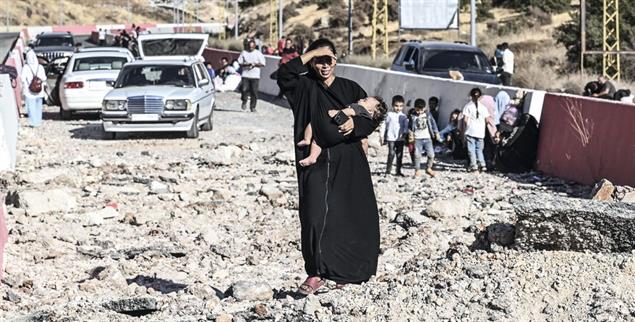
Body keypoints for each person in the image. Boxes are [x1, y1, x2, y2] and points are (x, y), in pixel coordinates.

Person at [277, 38, 380, 294]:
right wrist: (311, 51)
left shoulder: (350, 88)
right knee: (314, 215)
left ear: (336, 60)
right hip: (316, 160)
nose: (324, 65)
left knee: (349, 213)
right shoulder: (303, 87)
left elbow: (372, 116)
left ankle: (348, 272)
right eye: (318, 60)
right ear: (311, 61)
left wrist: (355, 126)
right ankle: (316, 272)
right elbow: (283, 74)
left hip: (349, 158)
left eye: (329, 59)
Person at [298, 96, 387, 167]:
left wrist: (337, 112)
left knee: (313, 124)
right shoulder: (366, 123)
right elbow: (364, 142)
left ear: (370, 111)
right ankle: (312, 157)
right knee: (318, 142)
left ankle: (307, 139)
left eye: (365, 100)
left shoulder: (359, 108)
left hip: (330, 127)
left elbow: (348, 112)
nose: (361, 99)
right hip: (335, 137)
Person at [462, 88, 491, 172]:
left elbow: (465, 120)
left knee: (471, 149)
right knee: (479, 149)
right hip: (480, 132)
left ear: (470, 96)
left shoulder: (468, 106)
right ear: (480, 97)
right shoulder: (484, 108)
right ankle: (483, 165)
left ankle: (474, 165)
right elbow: (488, 120)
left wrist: (467, 127)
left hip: (471, 131)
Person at [379, 95, 409, 176]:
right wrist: (382, 136)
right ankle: (388, 171)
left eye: (400, 106)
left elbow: (406, 126)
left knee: (399, 155)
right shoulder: (389, 115)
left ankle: (398, 171)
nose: (398, 108)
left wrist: (405, 134)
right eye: (396, 106)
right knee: (391, 153)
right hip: (391, 138)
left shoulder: (403, 116)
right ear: (392, 105)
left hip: (400, 138)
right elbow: (384, 125)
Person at [410, 99, 440, 177]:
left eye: (421, 110)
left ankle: (428, 168)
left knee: (431, 154)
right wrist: (410, 134)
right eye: (417, 110)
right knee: (417, 154)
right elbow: (410, 127)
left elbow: (433, 123)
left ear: (425, 108)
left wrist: (436, 132)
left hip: (427, 138)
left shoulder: (428, 115)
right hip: (417, 138)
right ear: (414, 108)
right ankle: (417, 170)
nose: (419, 112)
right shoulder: (412, 116)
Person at [238, 40, 266, 112]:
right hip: (245, 74)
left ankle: (252, 107)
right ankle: (244, 100)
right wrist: (246, 64)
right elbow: (239, 62)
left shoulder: (258, 53)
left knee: (254, 92)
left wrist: (255, 64)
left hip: (255, 76)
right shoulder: (244, 52)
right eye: (249, 47)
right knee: (244, 89)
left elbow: (263, 64)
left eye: (252, 47)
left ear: (254, 46)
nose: (251, 48)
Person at [21, 51, 47, 127]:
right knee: (38, 107)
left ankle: (33, 122)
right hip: (39, 91)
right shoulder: (40, 67)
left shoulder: (26, 67)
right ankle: (38, 122)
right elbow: (44, 78)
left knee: (30, 107)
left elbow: (22, 79)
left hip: (29, 91)